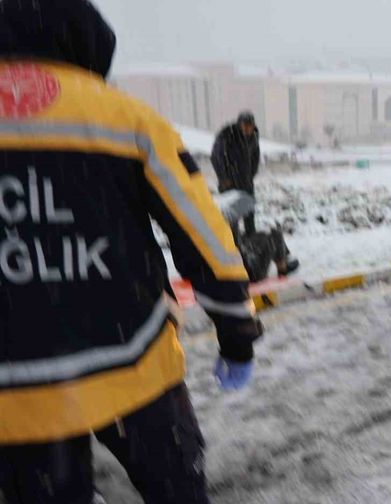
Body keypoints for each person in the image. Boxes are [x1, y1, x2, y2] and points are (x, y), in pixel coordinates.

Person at [0, 1, 262, 503]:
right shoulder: (125, 118)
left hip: (16, 395)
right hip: (133, 366)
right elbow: (204, 235)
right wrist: (236, 330)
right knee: (177, 490)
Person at [212, 111, 261, 237]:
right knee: (232, 218)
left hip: (246, 182)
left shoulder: (254, 137)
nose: (247, 128)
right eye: (245, 125)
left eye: (250, 125)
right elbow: (216, 157)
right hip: (229, 183)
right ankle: (233, 245)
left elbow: (255, 158)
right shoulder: (227, 135)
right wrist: (224, 178)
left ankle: (251, 242)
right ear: (239, 124)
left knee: (249, 214)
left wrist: (251, 175)